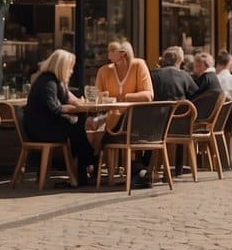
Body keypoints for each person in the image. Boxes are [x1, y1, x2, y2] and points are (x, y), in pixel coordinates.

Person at [23, 49, 95, 185]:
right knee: (76, 128)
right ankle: (89, 160)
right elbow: (55, 109)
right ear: (61, 67)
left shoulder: (57, 82)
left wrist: (78, 104)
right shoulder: (47, 82)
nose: (72, 72)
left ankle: (84, 167)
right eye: (70, 68)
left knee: (77, 126)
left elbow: (68, 98)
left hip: (46, 125)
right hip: (40, 129)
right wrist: (76, 108)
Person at [93, 40, 154, 136]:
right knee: (90, 125)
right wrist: (104, 98)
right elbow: (96, 97)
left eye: (112, 50)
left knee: (98, 128)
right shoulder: (103, 71)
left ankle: (95, 149)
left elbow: (148, 95)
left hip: (134, 121)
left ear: (123, 53)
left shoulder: (139, 65)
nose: (108, 55)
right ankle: (94, 150)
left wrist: (125, 98)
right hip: (110, 118)